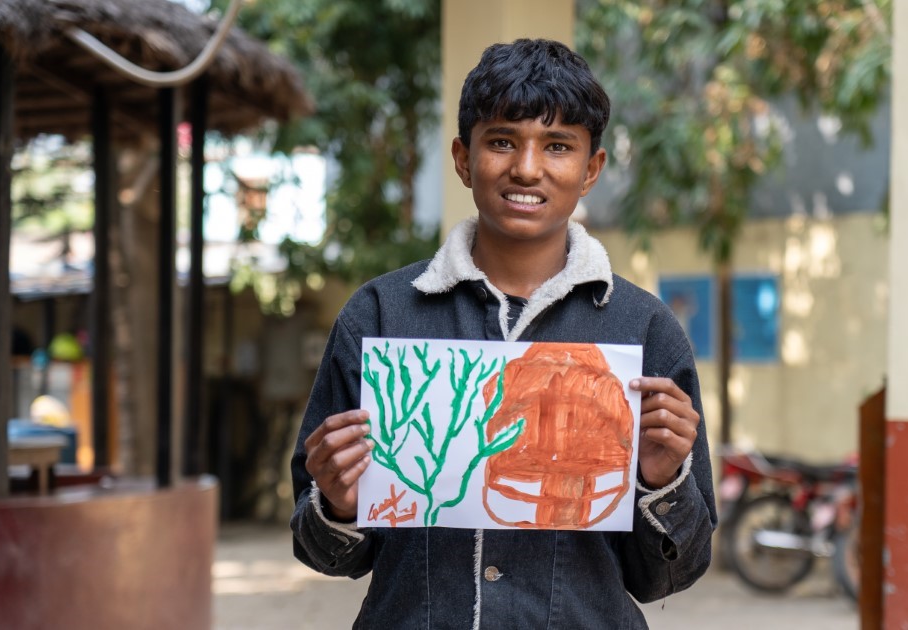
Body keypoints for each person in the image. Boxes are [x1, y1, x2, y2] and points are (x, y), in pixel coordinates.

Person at [291, 38, 716, 629]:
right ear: (464, 159)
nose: (526, 167)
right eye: (502, 141)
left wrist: (663, 479)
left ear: (591, 169)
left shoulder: (644, 331)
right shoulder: (378, 317)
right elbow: (324, 553)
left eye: (558, 146)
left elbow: (669, 575)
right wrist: (337, 502)